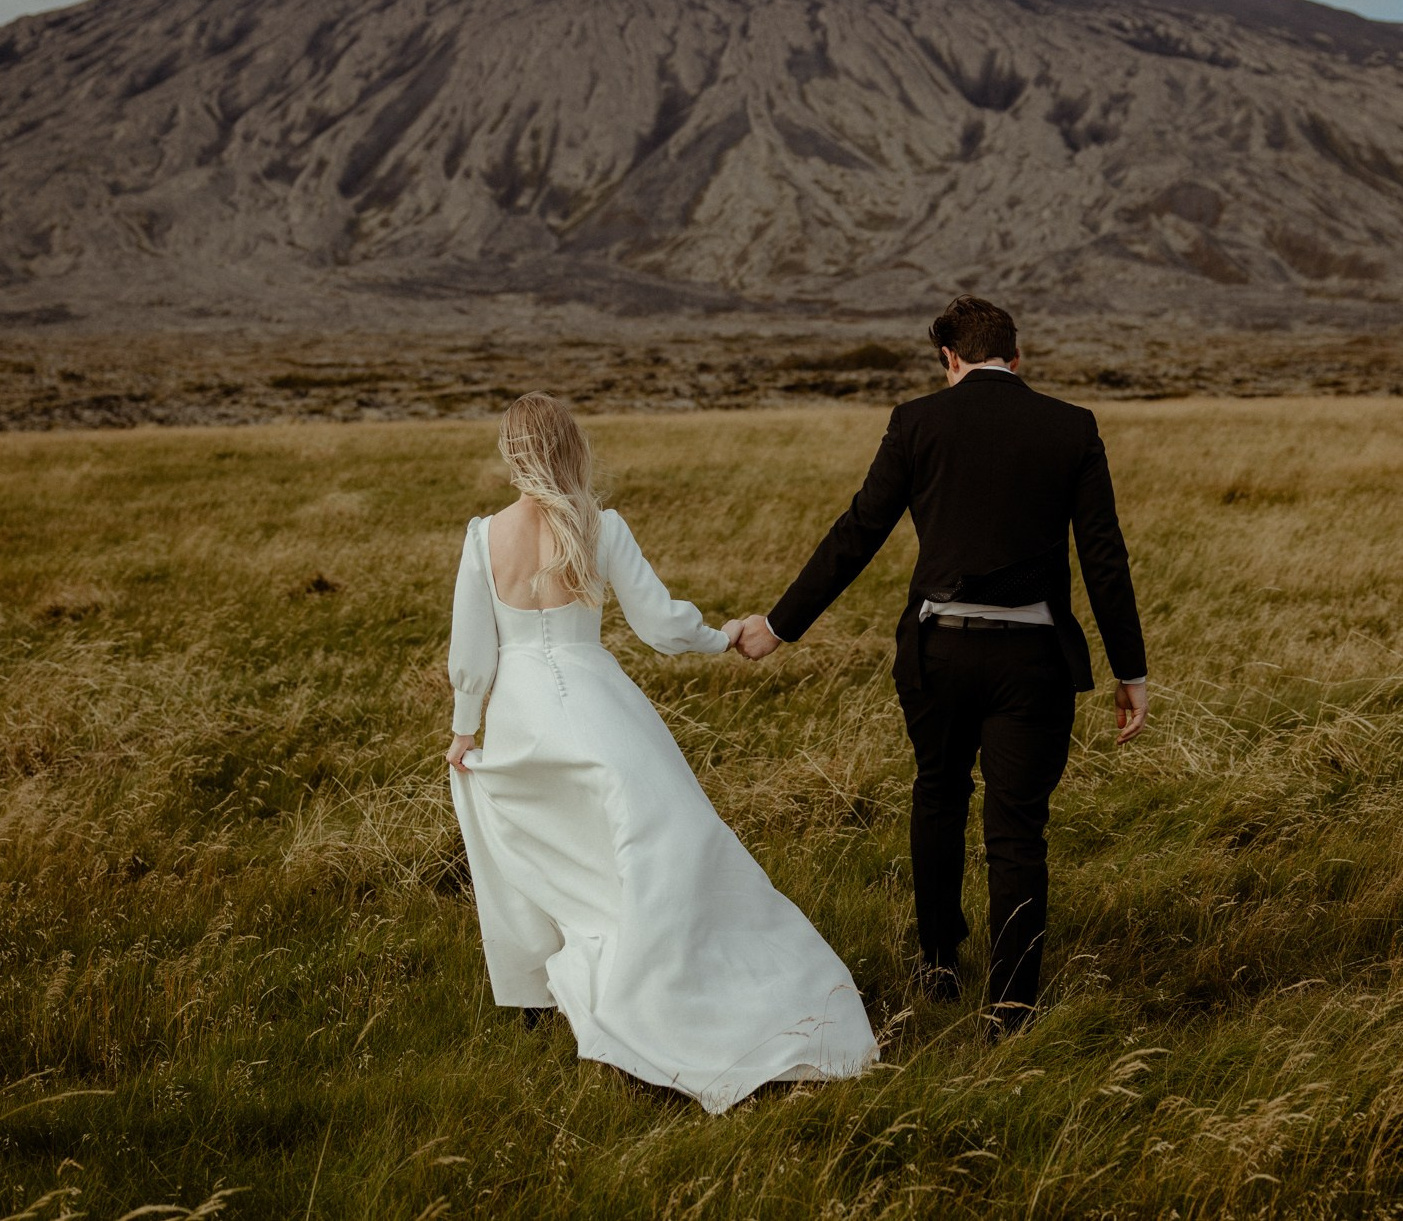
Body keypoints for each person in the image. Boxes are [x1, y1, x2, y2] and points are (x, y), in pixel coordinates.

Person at [445, 392, 878, 1112]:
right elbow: (658, 621)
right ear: (570, 446)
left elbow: (474, 647)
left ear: (511, 450)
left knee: (541, 846)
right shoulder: (598, 526)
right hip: (598, 704)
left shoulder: (484, 536)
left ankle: (548, 989)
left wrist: (467, 728)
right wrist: (720, 635)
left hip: (521, 715)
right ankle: (663, 978)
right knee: (651, 837)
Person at [734, 295, 1149, 1036]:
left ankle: (937, 961)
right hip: (1033, 660)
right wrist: (1131, 669)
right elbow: (1104, 557)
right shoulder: (1072, 426)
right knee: (1017, 830)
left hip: (940, 653)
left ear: (949, 360)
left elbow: (858, 530)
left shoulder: (917, 420)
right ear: (1017, 360)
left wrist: (780, 625)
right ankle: (1012, 1009)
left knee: (939, 793)